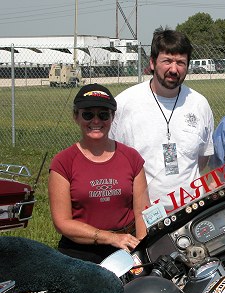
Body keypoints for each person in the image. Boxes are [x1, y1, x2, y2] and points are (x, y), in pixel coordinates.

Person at [110, 29, 214, 211]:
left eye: (181, 63)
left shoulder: (199, 104)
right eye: (167, 61)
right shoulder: (125, 104)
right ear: (152, 62)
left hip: (192, 210)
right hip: (143, 213)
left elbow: (202, 158)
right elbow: (112, 159)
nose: (174, 69)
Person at [48, 83, 149, 264]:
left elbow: (142, 211)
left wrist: (141, 249)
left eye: (103, 115)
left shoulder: (131, 158)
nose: (96, 121)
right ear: (76, 117)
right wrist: (110, 238)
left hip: (125, 248)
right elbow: (62, 222)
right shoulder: (63, 162)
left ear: (112, 117)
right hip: (80, 253)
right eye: (88, 114)